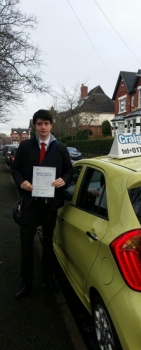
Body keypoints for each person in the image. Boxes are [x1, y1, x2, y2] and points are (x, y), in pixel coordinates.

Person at [12, 109, 73, 299]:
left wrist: (64, 180)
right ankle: (26, 281)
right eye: (39, 124)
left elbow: (69, 171)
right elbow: (16, 169)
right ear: (35, 126)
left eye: (46, 123)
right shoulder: (25, 146)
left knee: (48, 243)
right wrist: (21, 182)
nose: (43, 127)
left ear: (51, 125)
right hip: (31, 204)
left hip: (50, 205)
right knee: (26, 243)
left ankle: (48, 277)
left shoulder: (60, 148)